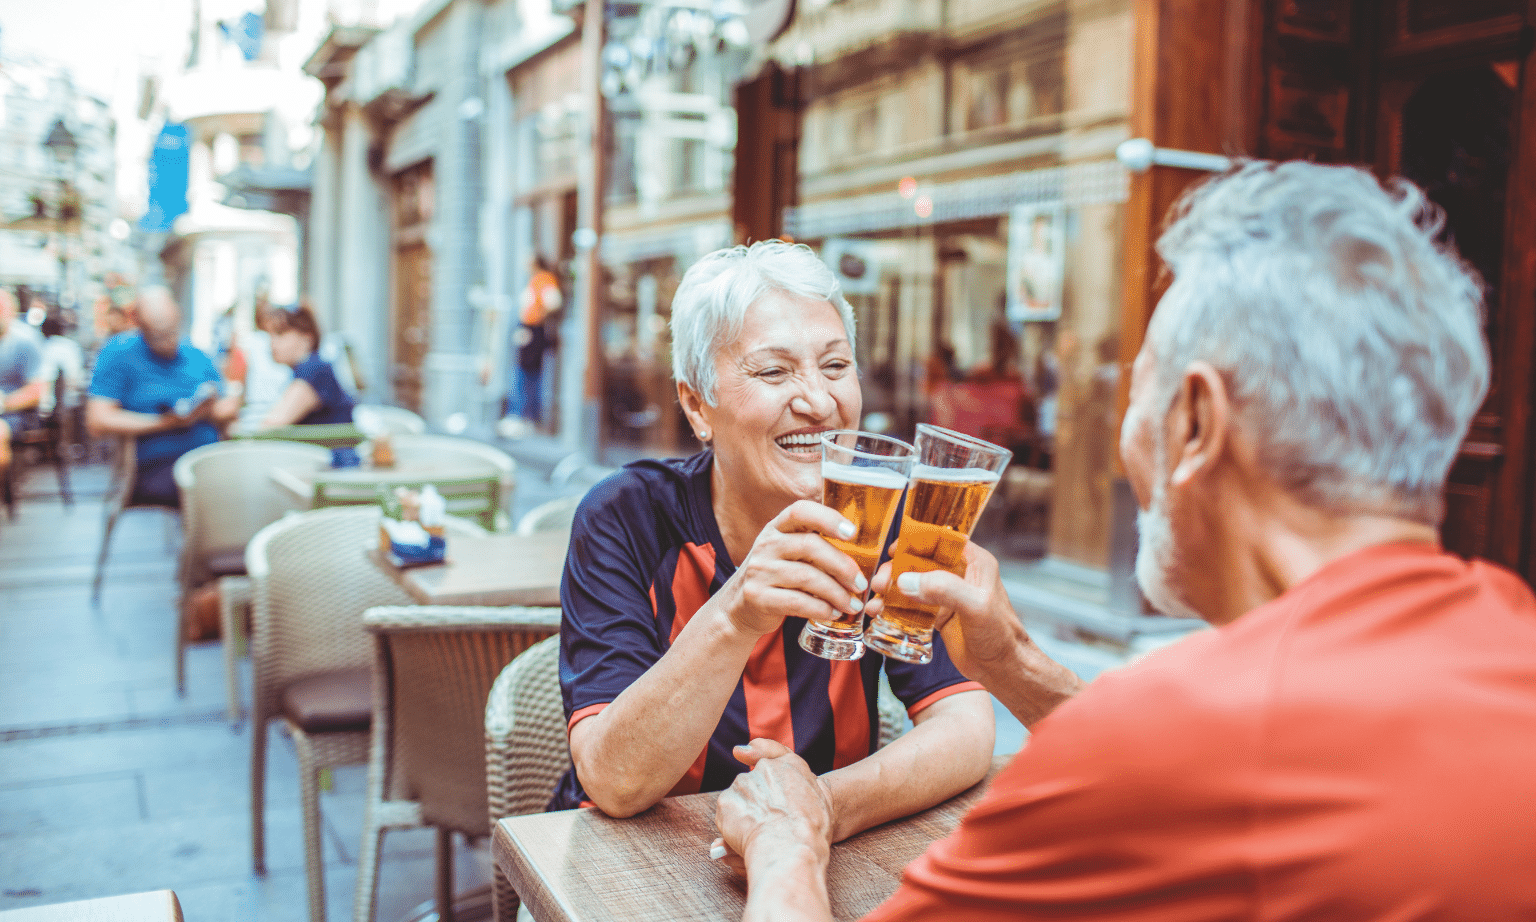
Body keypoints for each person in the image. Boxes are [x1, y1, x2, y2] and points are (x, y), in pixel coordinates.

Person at [714, 161, 1536, 920]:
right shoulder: (1510, 638)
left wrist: (790, 841)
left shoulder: (1172, 734)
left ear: (1197, 424)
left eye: (1137, 393)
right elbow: (1201, 771)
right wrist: (1012, 665)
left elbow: (1175, 756)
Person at [556, 241, 996, 838]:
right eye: (773, 371)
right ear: (697, 405)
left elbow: (967, 725)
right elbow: (613, 781)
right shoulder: (627, 516)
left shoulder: (881, 519)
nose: (819, 402)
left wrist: (821, 805)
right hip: (625, 853)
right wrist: (738, 612)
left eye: (836, 367)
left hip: (815, 846)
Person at [86, 288, 241, 506]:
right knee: (212, 487)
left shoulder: (196, 354)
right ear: (138, 323)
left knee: (250, 479)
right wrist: (164, 423)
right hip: (155, 465)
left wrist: (210, 409)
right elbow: (98, 421)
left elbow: (225, 404)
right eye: (158, 335)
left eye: (172, 331)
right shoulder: (118, 353)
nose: (168, 340)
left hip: (208, 456)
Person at [258, 301, 355, 428]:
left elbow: (271, 426)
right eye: (269, 335)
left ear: (307, 338)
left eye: (280, 333)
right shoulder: (307, 369)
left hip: (331, 448)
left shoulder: (313, 369)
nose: (272, 343)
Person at [506, 255, 561, 426]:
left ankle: (526, 414)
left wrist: (539, 315)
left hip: (533, 329)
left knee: (528, 372)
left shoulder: (543, 279)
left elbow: (553, 302)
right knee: (525, 371)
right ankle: (523, 413)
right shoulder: (536, 279)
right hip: (529, 328)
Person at [0, 288, 48, 478]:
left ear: (12, 311)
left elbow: (37, 392)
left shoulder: (26, 340)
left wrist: (3, 403)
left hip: (17, 415)